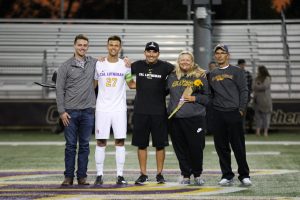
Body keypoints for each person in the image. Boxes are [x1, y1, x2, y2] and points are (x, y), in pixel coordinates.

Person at [56, 34, 98, 186]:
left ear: (88, 47)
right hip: (70, 112)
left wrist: (125, 62)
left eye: (85, 45)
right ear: (74, 46)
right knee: (71, 146)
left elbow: (108, 62)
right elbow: (59, 90)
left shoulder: (93, 62)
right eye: (80, 45)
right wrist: (61, 111)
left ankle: (82, 177)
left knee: (85, 145)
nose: (82, 47)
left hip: (87, 111)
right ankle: (68, 177)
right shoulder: (65, 66)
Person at [93, 35, 136, 185]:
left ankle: (120, 175)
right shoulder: (99, 64)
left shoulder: (126, 65)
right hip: (102, 109)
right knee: (100, 141)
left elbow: (131, 83)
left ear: (120, 47)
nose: (113, 47)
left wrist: (151, 83)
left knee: (120, 141)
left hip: (119, 109)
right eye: (111, 45)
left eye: (116, 45)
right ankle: (99, 175)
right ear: (107, 46)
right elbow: (93, 85)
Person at [207, 44, 252, 186]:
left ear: (228, 55)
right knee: (221, 146)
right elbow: (210, 94)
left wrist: (241, 109)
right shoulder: (211, 74)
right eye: (217, 53)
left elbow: (244, 91)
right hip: (218, 114)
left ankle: (244, 174)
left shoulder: (237, 71)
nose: (219, 55)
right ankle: (227, 174)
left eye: (222, 53)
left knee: (238, 145)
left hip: (234, 112)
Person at [131, 41, 174, 184]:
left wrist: (167, 89)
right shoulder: (136, 65)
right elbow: (124, 72)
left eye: (154, 51)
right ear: (145, 52)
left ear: (158, 53)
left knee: (160, 144)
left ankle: (159, 174)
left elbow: (181, 71)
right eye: (148, 51)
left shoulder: (166, 66)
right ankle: (143, 174)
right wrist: (130, 83)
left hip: (159, 112)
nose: (151, 54)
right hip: (140, 111)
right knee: (141, 144)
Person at [167, 51, 209, 185]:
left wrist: (194, 98)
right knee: (180, 148)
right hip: (176, 118)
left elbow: (208, 98)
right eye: (182, 60)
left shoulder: (200, 76)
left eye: (188, 60)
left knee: (196, 147)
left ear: (192, 62)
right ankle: (185, 175)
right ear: (178, 62)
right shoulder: (172, 76)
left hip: (195, 118)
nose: (185, 62)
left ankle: (197, 174)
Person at [252, 65, 272, 137]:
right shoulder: (256, 78)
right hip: (256, 100)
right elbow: (253, 86)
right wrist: (258, 85)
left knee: (266, 117)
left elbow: (264, 87)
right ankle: (258, 131)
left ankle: (265, 132)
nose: (258, 72)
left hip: (265, 100)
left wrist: (258, 85)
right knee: (257, 117)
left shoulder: (267, 78)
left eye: (259, 70)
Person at [237, 59, 254, 133]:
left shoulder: (247, 73)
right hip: (236, 97)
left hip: (244, 97)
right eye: (241, 65)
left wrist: (248, 95)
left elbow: (250, 86)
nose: (243, 66)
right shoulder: (235, 73)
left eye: (243, 65)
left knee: (243, 114)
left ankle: (242, 130)